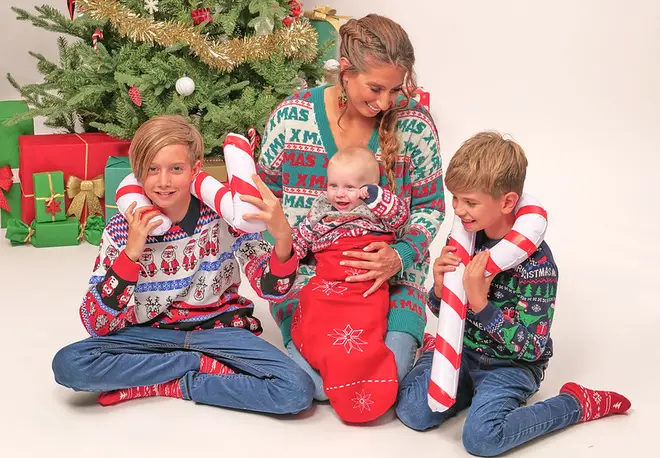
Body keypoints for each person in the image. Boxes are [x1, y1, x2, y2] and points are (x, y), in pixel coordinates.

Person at [51, 115, 314, 415]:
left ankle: (172, 383)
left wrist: (282, 238)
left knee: (296, 390)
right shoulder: (121, 229)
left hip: (220, 332)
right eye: (153, 170)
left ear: (195, 170)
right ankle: (195, 365)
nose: (164, 182)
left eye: (176, 169)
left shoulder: (223, 218)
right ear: (138, 173)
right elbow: (96, 323)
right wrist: (131, 254)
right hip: (149, 335)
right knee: (69, 365)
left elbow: (272, 290)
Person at [395, 131, 631, 456]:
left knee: (482, 439)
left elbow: (531, 348)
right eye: (456, 199)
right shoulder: (469, 238)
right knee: (410, 412)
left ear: (507, 202)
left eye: (471, 201)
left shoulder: (538, 267)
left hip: (511, 365)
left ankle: (575, 403)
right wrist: (438, 289)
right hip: (465, 352)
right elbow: (444, 311)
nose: (459, 211)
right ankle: (436, 356)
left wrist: (480, 304)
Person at [257, 14, 445, 399]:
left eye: (394, 90)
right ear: (345, 70)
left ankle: (428, 351)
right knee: (319, 389)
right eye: (375, 88)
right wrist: (285, 260)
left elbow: (430, 206)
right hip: (312, 288)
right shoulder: (292, 118)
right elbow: (262, 204)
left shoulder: (415, 124)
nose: (385, 102)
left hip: (391, 284)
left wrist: (400, 254)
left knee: (384, 380)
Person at [289, 146, 409, 422]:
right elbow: (302, 238)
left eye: (350, 187)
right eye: (333, 185)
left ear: (369, 188)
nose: (339, 193)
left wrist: (378, 198)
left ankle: (365, 372)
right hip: (327, 281)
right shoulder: (322, 210)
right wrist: (287, 253)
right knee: (314, 309)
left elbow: (401, 218)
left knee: (364, 323)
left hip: (363, 284)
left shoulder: (377, 211)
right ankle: (329, 362)